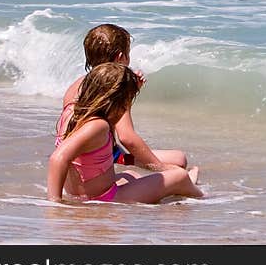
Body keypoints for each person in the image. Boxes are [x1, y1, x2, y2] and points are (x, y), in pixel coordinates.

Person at [48, 62, 203, 203]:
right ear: (116, 101)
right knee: (179, 176)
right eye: (126, 102)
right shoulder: (97, 126)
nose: (126, 109)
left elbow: (108, 150)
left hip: (86, 193)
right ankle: (200, 195)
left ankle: (180, 191)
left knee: (131, 175)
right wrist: (55, 204)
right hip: (106, 198)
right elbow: (58, 158)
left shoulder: (72, 112)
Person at [63, 23, 187, 172]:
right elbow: (127, 137)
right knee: (179, 160)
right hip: (106, 157)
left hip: (78, 157)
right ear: (120, 57)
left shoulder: (77, 84)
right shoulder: (114, 87)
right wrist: (160, 168)